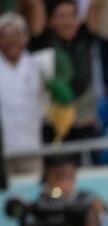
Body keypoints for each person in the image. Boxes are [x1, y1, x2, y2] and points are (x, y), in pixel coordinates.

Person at [34, 0, 102, 144]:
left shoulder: (84, 36)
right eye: (62, 16)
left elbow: (95, 6)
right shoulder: (42, 40)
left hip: (84, 122)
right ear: (49, 20)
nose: (68, 22)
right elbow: (34, 6)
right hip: (52, 124)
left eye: (73, 15)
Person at [0, 12, 56, 177]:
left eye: (16, 35)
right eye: (5, 36)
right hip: (2, 150)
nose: (11, 41)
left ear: (25, 37)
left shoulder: (39, 66)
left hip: (31, 146)